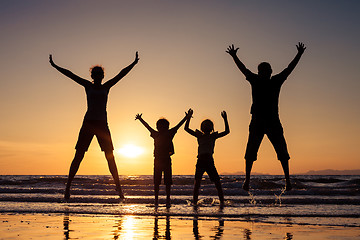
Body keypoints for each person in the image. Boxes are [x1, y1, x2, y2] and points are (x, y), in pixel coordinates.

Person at [49, 52, 139, 200]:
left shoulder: (107, 86)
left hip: (102, 124)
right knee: (79, 155)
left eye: (100, 73)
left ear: (102, 76)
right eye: (95, 74)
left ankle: (120, 190)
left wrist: (134, 63)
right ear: (92, 76)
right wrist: (55, 66)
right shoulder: (87, 86)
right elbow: (70, 74)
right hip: (88, 123)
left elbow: (121, 74)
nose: (97, 76)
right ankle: (67, 188)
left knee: (110, 157)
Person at [226, 42, 306, 191]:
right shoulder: (256, 80)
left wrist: (299, 54)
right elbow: (243, 69)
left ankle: (287, 180)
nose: (265, 72)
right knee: (251, 151)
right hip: (257, 121)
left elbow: (289, 69)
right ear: (260, 72)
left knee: (281, 150)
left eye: (267, 70)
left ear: (270, 71)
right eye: (263, 70)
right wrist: (234, 56)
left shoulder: (275, 81)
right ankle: (247, 180)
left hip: (272, 121)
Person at [135, 110, 191, 207]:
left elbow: (178, 125)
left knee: (167, 182)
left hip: (166, 160)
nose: (160, 128)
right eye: (159, 126)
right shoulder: (156, 134)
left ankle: (168, 199)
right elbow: (147, 127)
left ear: (167, 127)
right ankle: (156, 200)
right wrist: (140, 119)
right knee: (157, 181)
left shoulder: (169, 133)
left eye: (163, 126)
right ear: (157, 127)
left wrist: (186, 118)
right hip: (157, 160)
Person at [184, 109, 230, 207]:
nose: (207, 127)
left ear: (212, 128)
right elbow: (186, 129)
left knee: (217, 182)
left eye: (209, 125)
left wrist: (225, 119)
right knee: (197, 184)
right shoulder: (199, 135)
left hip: (209, 161)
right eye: (205, 125)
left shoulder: (213, 136)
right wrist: (188, 118)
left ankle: (222, 202)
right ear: (202, 128)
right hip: (200, 161)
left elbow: (227, 131)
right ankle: (194, 204)